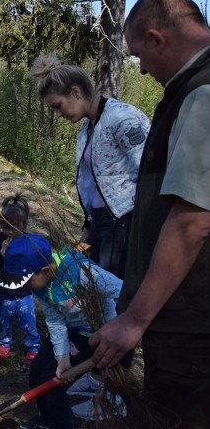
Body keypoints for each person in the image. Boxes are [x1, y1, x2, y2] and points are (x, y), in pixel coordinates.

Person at [89, 0, 210, 429]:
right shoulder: (188, 92)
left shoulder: (202, 96)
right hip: (186, 325)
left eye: (139, 54)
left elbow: (192, 221)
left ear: (158, 38)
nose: (138, 68)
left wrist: (133, 321)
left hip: (192, 332)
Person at [0, 234, 122, 429]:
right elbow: (54, 319)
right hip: (67, 331)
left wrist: (124, 328)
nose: (23, 287)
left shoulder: (84, 275)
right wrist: (62, 356)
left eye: (25, 281)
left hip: (94, 335)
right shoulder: (40, 284)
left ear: (44, 269)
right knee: (37, 372)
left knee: (53, 382)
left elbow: (122, 291)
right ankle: (47, 418)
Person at [31, 54, 150, 279]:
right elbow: (92, 183)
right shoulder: (86, 129)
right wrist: (88, 229)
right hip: (100, 222)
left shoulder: (122, 118)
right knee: (92, 283)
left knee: (113, 290)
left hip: (124, 223)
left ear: (75, 91)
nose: (58, 114)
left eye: (58, 105)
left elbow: (149, 171)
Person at [0, 193, 39, 365]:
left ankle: (33, 347)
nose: (9, 231)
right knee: (4, 317)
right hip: (3, 289)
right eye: (5, 226)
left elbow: (35, 262)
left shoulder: (27, 241)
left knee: (28, 319)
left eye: (14, 227)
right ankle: (4, 344)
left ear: (23, 225)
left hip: (24, 290)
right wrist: (2, 252)